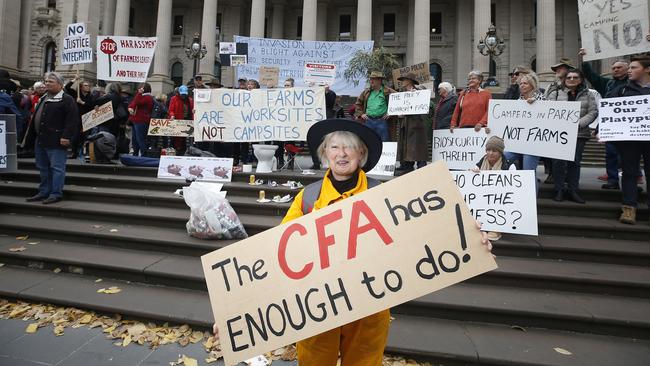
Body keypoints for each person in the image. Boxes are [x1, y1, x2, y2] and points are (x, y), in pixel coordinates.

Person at [579, 49, 636, 189]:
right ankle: (612, 180)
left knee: (629, 156)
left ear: (628, 69)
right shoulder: (608, 84)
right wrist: (585, 60)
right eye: (614, 68)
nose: (615, 70)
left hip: (632, 126)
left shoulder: (635, 83)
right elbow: (592, 77)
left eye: (619, 68)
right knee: (611, 153)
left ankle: (632, 183)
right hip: (612, 125)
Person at [26, 72, 80, 204]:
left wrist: (66, 136)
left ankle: (56, 193)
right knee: (43, 167)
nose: (47, 83)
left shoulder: (66, 99)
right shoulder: (44, 97)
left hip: (57, 140)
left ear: (60, 85)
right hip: (41, 139)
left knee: (57, 168)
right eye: (46, 81)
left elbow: (72, 120)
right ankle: (44, 191)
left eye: (51, 81)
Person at [548, 68, 597, 204]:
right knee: (558, 162)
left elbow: (592, 112)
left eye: (575, 77)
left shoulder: (588, 94)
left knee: (575, 162)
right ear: (565, 79)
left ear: (580, 80)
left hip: (579, 133)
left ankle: (573, 190)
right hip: (559, 133)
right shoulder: (556, 93)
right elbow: (548, 110)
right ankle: (559, 189)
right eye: (569, 77)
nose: (571, 79)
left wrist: (578, 124)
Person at [615, 56, 650, 225]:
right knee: (629, 172)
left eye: (634, 67)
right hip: (630, 140)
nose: (629, 70)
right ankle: (629, 208)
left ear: (647, 69)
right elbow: (610, 112)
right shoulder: (622, 90)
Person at [504, 72, 545, 193]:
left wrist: (536, 105)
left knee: (529, 173)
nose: (521, 85)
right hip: (517, 143)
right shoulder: (518, 101)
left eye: (525, 83)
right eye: (520, 83)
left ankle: (532, 202)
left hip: (533, 144)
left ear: (532, 85)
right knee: (501, 158)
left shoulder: (541, 99)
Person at [471, 136, 514, 241]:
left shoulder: (509, 167)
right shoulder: (479, 164)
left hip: (501, 201)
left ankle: (496, 228)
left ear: (500, 152)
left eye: (494, 150)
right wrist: (472, 173)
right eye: (488, 150)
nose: (490, 153)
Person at [396, 72, 428, 171]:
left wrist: (416, 96)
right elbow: (399, 107)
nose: (402, 82)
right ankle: (406, 164)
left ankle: (421, 165)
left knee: (417, 144)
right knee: (405, 144)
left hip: (416, 123)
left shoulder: (418, 92)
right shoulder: (402, 94)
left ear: (409, 81)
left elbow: (424, 106)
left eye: (404, 80)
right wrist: (399, 113)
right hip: (405, 124)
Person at [354, 70, 396, 142]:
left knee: (384, 142)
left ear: (379, 80)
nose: (371, 81)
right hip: (368, 121)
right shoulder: (366, 92)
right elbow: (358, 103)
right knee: (368, 142)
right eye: (370, 79)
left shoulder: (388, 91)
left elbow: (399, 100)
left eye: (373, 79)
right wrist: (361, 114)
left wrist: (391, 112)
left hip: (382, 121)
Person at [65, 77, 96, 158]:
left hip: (87, 118)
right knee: (75, 136)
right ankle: (73, 152)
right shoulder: (76, 94)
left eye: (88, 86)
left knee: (86, 136)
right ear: (81, 87)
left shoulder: (92, 96)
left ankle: (85, 152)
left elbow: (92, 106)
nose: (88, 87)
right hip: (77, 118)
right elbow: (67, 87)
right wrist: (74, 79)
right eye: (85, 85)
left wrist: (82, 102)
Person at [127, 82, 154, 156]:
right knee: (135, 139)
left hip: (141, 121)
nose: (139, 89)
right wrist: (130, 107)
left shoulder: (148, 97)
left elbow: (137, 102)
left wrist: (138, 94)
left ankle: (143, 154)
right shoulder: (141, 96)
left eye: (141, 88)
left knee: (140, 139)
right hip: (136, 121)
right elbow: (133, 104)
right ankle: (135, 154)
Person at [168, 84, 194, 155]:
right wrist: (172, 115)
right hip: (177, 121)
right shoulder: (174, 99)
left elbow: (192, 110)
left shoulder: (190, 100)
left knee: (184, 139)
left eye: (185, 94)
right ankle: (176, 151)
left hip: (186, 122)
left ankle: (182, 152)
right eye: (182, 94)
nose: (183, 96)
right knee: (176, 139)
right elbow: (171, 109)